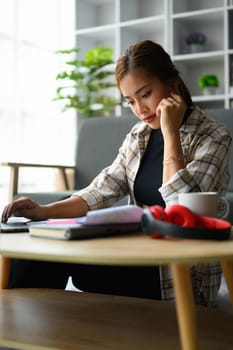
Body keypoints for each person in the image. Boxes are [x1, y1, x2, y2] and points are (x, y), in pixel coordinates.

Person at [1, 40, 232, 306]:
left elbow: (182, 209)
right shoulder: (139, 135)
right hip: (135, 252)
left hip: (174, 274)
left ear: (171, 83)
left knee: (61, 260)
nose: (140, 109)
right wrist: (44, 211)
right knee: (32, 253)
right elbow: (101, 190)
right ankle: (16, 336)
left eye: (145, 94)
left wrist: (170, 133)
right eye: (130, 101)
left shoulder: (214, 135)